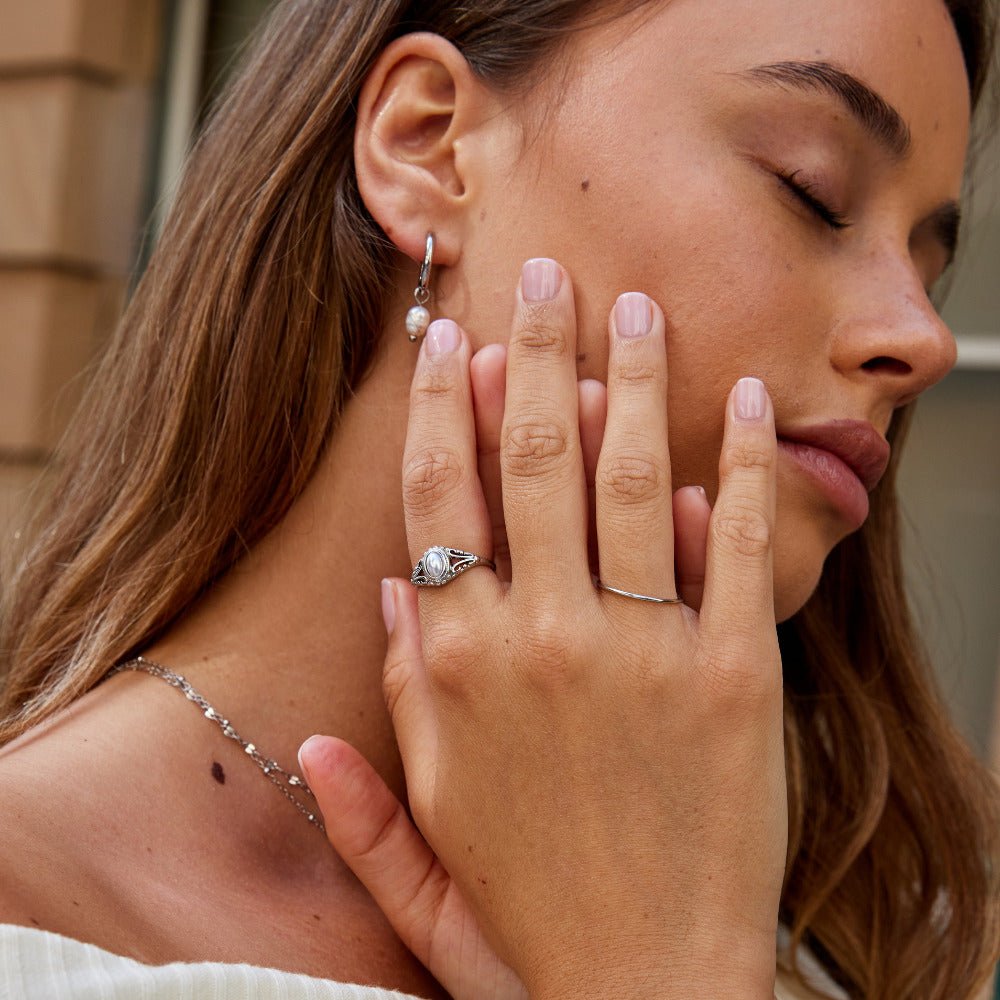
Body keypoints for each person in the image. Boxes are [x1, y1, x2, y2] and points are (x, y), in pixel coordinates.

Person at [0, 0, 997, 997]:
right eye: (811, 190)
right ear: (427, 146)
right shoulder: (35, 926)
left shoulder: (826, 926)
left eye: (925, 261)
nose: (922, 340)